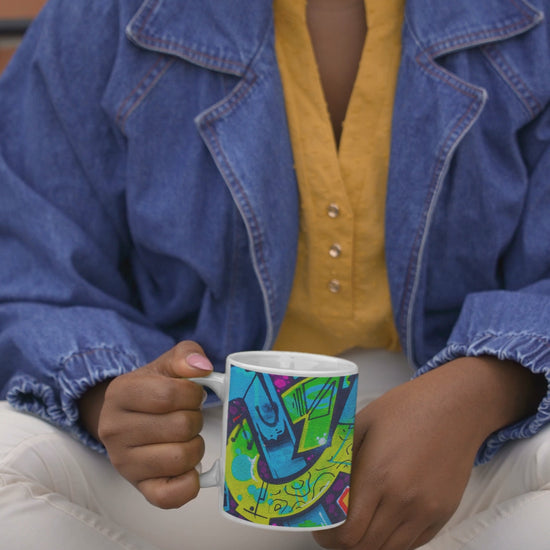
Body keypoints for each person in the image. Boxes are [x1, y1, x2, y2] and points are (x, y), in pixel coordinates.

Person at [1, 0, 550, 549]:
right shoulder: (104, 14)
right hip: (201, 441)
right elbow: (29, 262)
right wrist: (112, 396)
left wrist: (486, 387)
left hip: (472, 444)